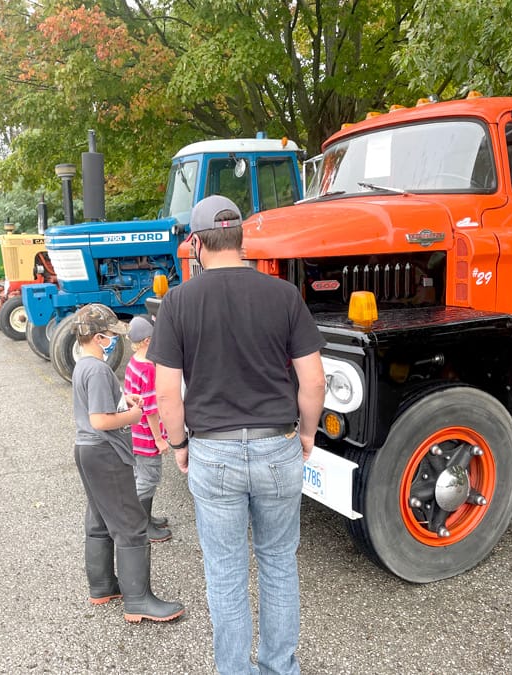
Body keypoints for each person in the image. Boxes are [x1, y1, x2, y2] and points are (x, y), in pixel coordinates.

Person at [149, 195, 327, 674]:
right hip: (277, 447)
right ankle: (278, 668)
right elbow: (313, 380)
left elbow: (167, 392)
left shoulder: (178, 301)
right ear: (242, 238)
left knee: (225, 574)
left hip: (214, 451)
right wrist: (307, 433)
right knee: (277, 564)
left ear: (196, 243)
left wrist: (180, 445)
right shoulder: (284, 296)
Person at [70, 303, 184, 623]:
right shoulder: (97, 369)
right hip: (105, 452)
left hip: (86, 451)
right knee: (132, 526)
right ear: (97, 337)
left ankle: (103, 585)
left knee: (99, 520)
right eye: (110, 336)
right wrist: (134, 415)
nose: (114, 341)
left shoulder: (83, 365)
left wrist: (124, 400)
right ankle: (138, 601)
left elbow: (98, 407)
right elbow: (101, 420)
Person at [124, 316, 172, 543]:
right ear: (145, 341)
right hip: (147, 437)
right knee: (148, 480)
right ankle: (142, 526)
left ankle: (146, 518)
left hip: (135, 433)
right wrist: (159, 440)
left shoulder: (133, 362)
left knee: (140, 476)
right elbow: (151, 410)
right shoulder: (148, 369)